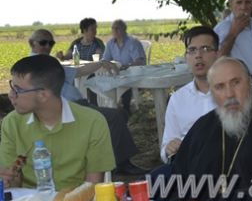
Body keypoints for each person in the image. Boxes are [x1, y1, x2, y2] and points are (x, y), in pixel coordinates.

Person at [167, 57, 252, 201]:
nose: (229, 94)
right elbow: (179, 177)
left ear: (250, 84)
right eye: (220, 87)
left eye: (236, 82)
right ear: (212, 93)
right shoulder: (202, 127)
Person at [29, 29, 145, 175]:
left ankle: (115, 160)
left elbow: (79, 71)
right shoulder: (34, 65)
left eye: (50, 43)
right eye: (43, 42)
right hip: (68, 109)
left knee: (119, 114)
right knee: (115, 116)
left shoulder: (46, 62)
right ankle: (117, 164)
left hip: (76, 105)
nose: (47, 46)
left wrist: (101, 63)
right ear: (32, 43)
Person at [0, 55, 116, 190]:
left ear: (43, 95)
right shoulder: (12, 123)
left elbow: (93, 185)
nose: (10, 95)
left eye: (18, 90)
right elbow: (13, 186)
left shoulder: (93, 122)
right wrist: (8, 180)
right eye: (11, 86)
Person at [160, 26, 221, 164]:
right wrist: (169, 148)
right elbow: (166, 147)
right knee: (155, 178)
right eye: (192, 50)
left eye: (205, 49)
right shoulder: (177, 99)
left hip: (232, 164)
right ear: (186, 57)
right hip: (191, 166)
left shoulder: (239, 88)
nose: (198, 55)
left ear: (217, 54)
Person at [102, 19, 147, 112]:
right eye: (113, 28)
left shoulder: (133, 42)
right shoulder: (110, 44)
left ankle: (126, 109)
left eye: (117, 28)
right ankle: (109, 108)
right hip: (116, 72)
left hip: (132, 73)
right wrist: (110, 65)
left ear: (124, 29)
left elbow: (140, 61)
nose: (114, 30)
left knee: (125, 83)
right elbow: (105, 60)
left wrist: (127, 66)